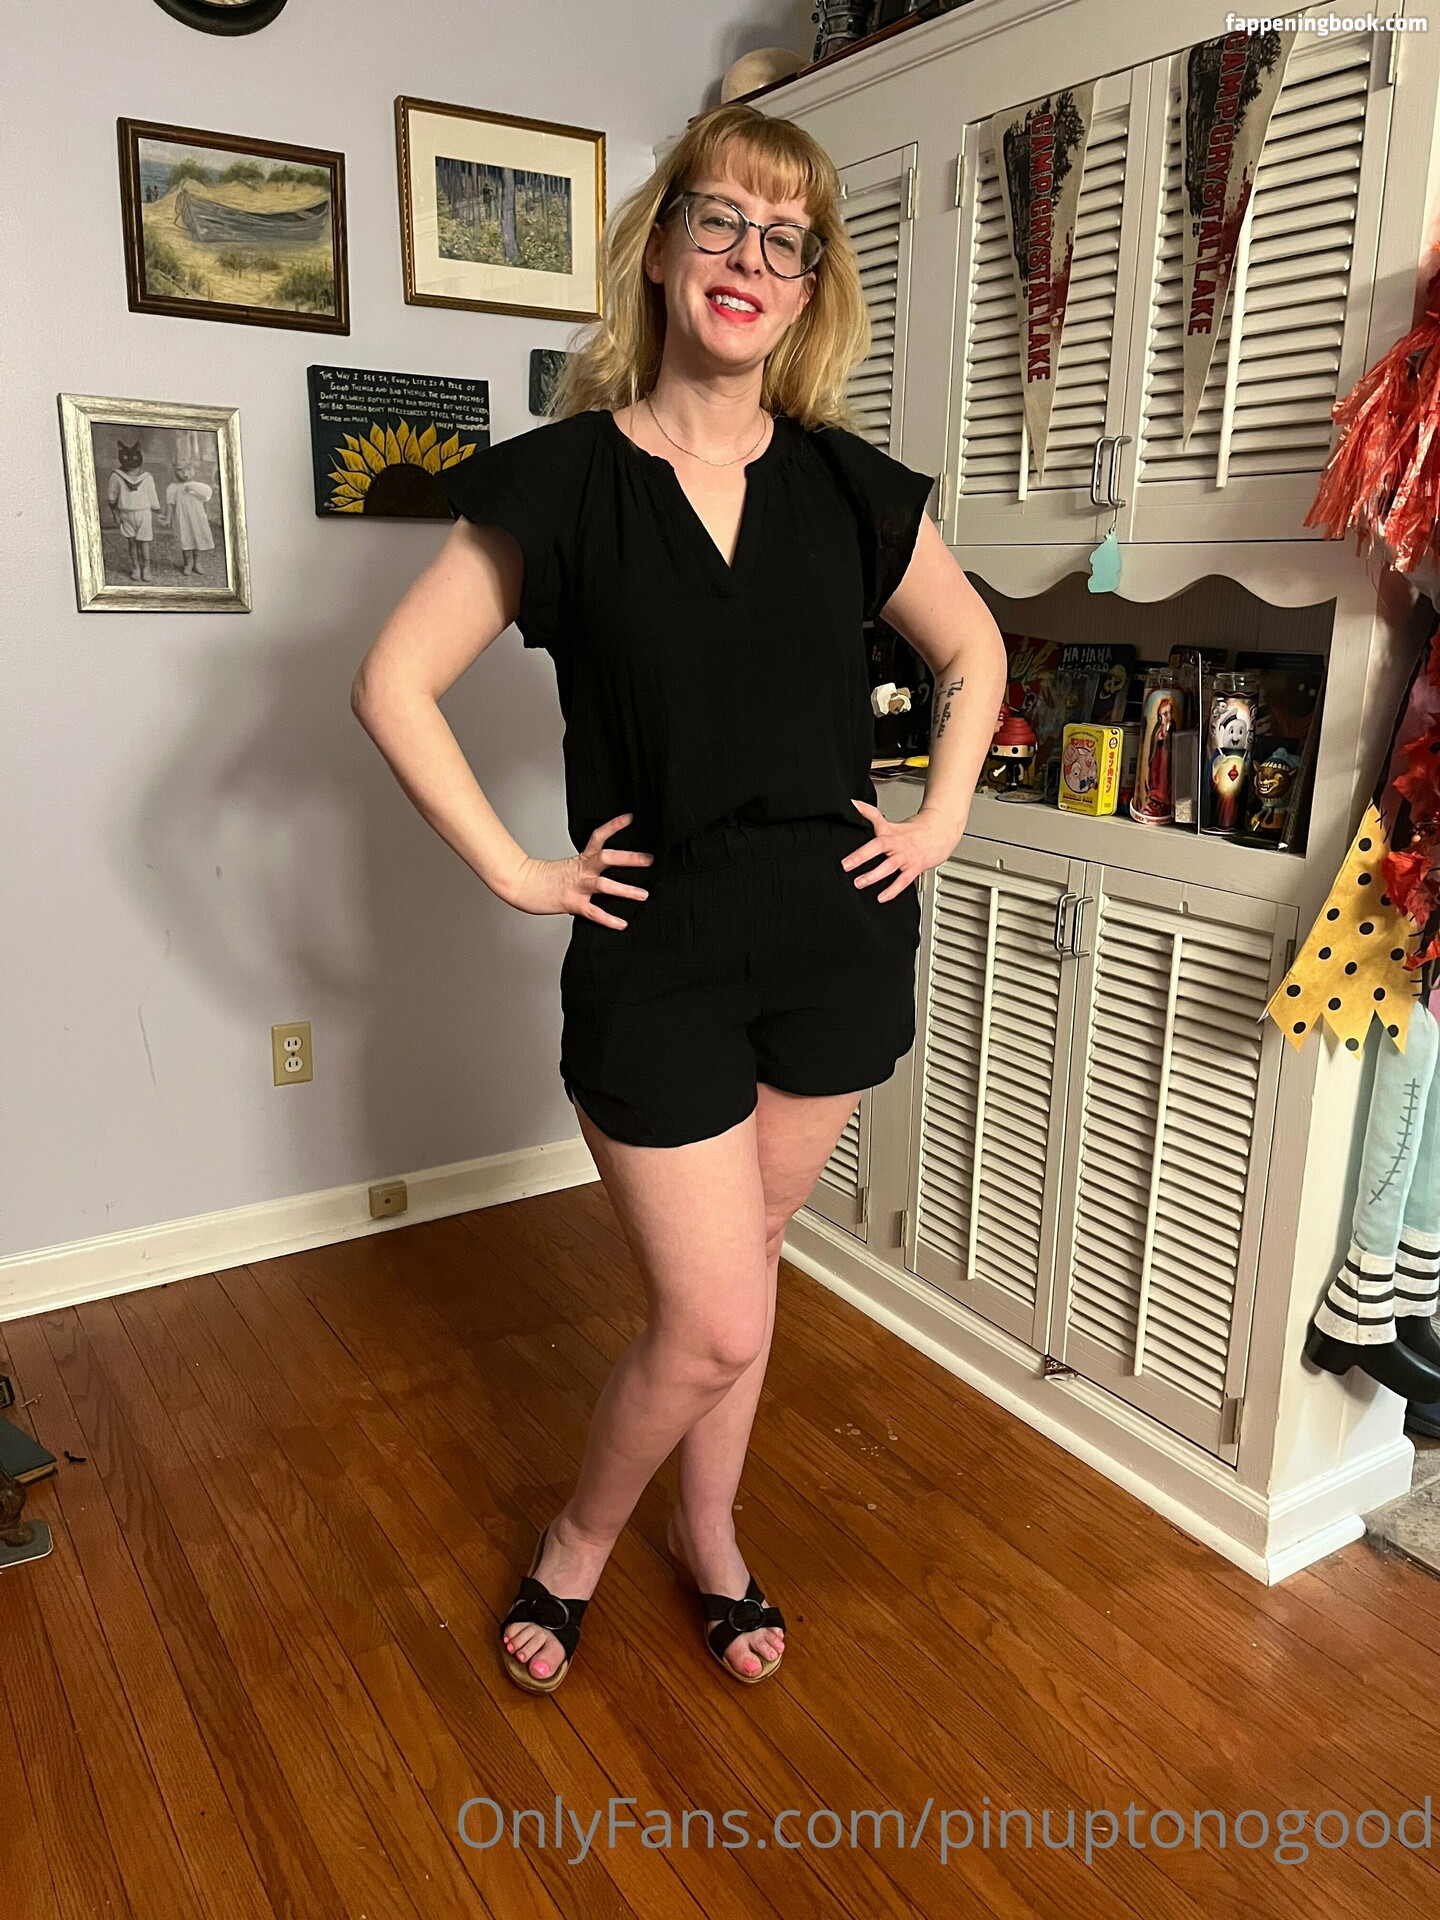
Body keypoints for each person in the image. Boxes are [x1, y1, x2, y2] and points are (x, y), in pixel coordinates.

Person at [351, 102, 1006, 1693]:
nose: (749, 258)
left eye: (787, 239)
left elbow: (978, 651)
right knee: (708, 1318)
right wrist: (519, 869)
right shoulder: (562, 483)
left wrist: (939, 819)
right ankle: (582, 1537)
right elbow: (393, 683)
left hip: (833, 939)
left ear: (808, 288)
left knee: (754, 1260)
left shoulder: (851, 489)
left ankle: (710, 1535)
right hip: (656, 953)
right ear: (660, 249)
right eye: (720, 219)